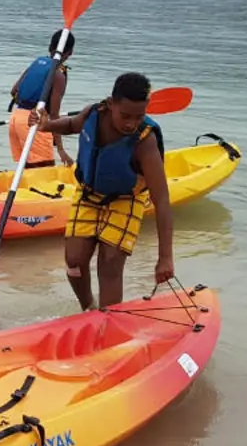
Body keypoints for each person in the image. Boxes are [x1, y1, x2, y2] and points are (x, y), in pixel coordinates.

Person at [28, 72, 174, 310]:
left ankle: (109, 320)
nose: (131, 124)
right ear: (110, 103)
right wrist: (46, 125)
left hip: (126, 199)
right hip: (89, 193)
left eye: (139, 117)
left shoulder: (144, 140)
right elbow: (72, 124)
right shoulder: (94, 113)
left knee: (111, 263)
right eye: (125, 115)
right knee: (74, 262)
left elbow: (162, 199)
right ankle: (89, 308)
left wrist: (165, 257)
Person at [9, 29, 74, 169]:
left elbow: (14, 91)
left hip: (16, 118)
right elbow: (55, 115)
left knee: (27, 170)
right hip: (34, 121)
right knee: (44, 171)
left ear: (50, 47)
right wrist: (61, 150)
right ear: (70, 52)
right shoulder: (58, 75)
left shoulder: (38, 63)